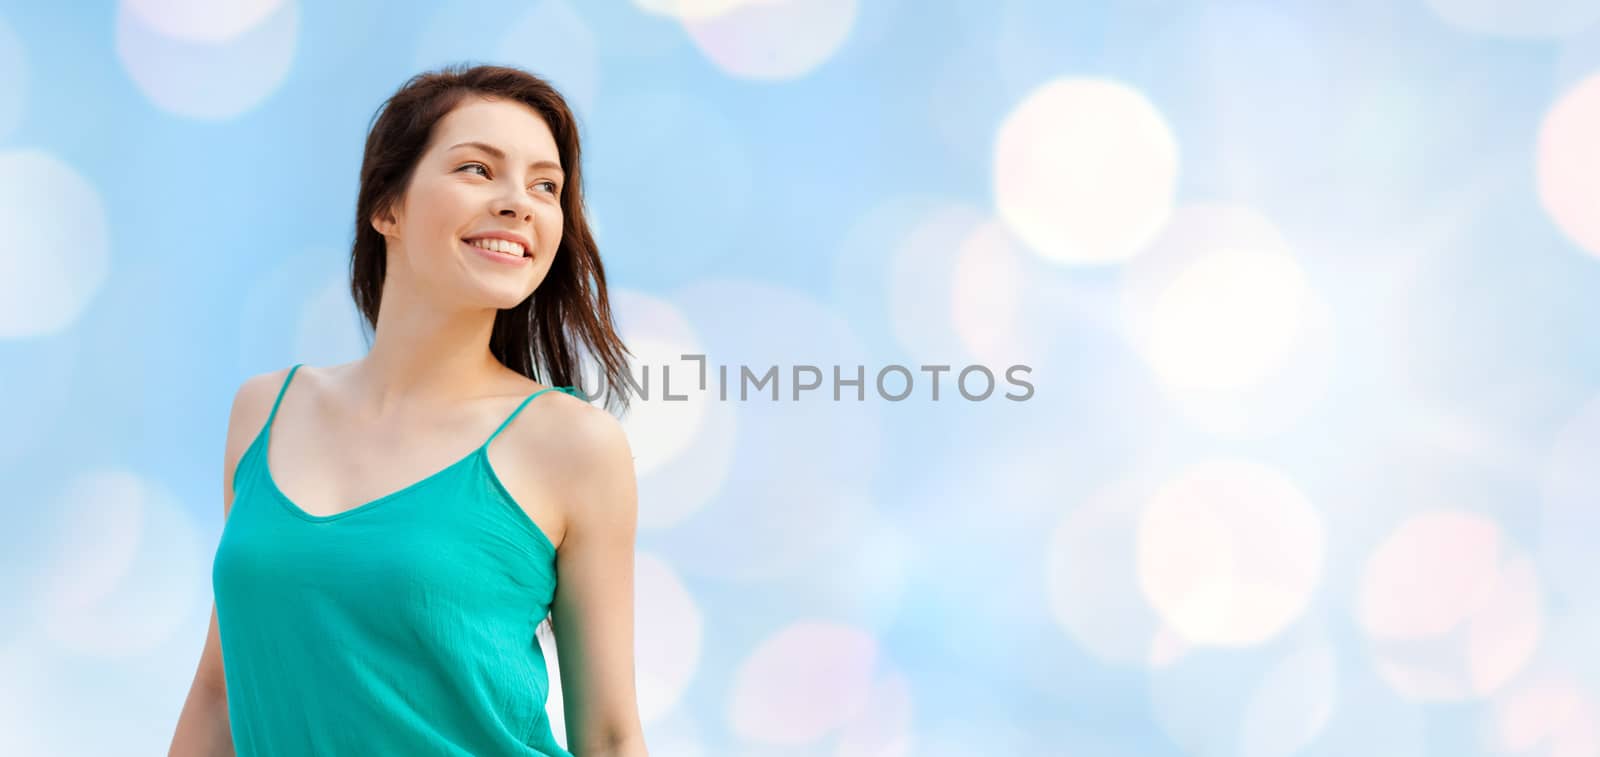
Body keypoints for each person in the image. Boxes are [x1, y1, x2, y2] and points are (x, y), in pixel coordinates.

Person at [168, 64, 647, 756]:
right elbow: (220, 689)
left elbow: (609, 735)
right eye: (479, 169)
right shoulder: (263, 411)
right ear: (386, 206)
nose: (520, 202)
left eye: (546, 185)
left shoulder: (572, 445)